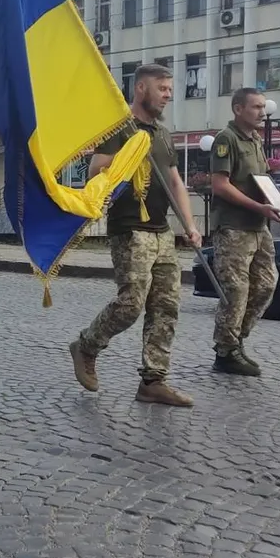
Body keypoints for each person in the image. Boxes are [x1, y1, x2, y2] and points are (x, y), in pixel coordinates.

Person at [69, 64, 200, 407]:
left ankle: (153, 381)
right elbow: (96, 171)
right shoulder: (119, 128)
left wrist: (190, 225)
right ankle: (86, 345)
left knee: (166, 307)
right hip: (130, 228)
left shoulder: (162, 132)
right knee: (131, 304)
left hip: (162, 231)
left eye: (170, 89)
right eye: (162, 88)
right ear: (141, 89)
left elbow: (175, 182)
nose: (168, 95)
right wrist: (128, 156)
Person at [209, 87, 280, 377]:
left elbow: (261, 181)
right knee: (236, 289)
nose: (261, 112)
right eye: (255, 107)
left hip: (258, 226)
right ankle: (226, 351)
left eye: (262, 107)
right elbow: (220, 184)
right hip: (233, 227)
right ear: (238, 109)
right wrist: (260, 206)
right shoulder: (226, 139)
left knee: (267, 284)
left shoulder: (255, 140)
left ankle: (236, 340)